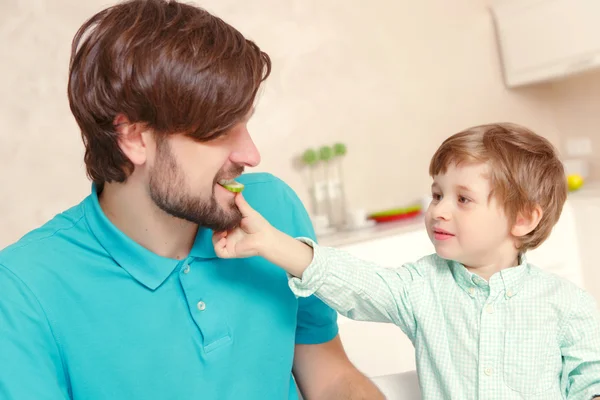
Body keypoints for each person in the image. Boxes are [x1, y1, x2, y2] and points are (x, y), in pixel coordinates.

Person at [0, 1, 384, 398]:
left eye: (245, 123)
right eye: (219, 132)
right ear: (133, 138)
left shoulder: (272, 211)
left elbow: (332, 377)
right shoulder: (23, 291)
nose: (251, 155)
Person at [214, 122, 600, 399]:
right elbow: (355, 282)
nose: (439, 211)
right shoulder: (423, 286)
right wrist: (271, 243)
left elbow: (591, 383)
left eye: (463, 199)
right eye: (437, 195)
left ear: (523, 219)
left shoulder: (568, 305)